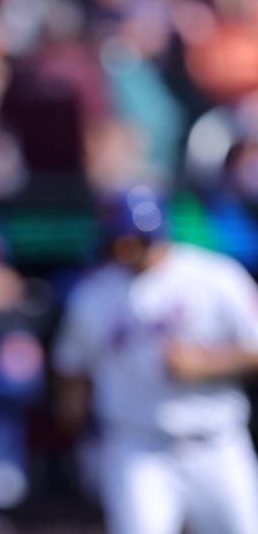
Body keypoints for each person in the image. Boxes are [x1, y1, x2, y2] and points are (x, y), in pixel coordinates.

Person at [52, 186, 258, 534]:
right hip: (137, 445)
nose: (126, 247)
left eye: (136, 237)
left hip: (217, 442)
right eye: (120, 237)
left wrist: (207, 365)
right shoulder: (94, 292)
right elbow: (71, 367)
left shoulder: (215, 276)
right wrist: (74, 419)